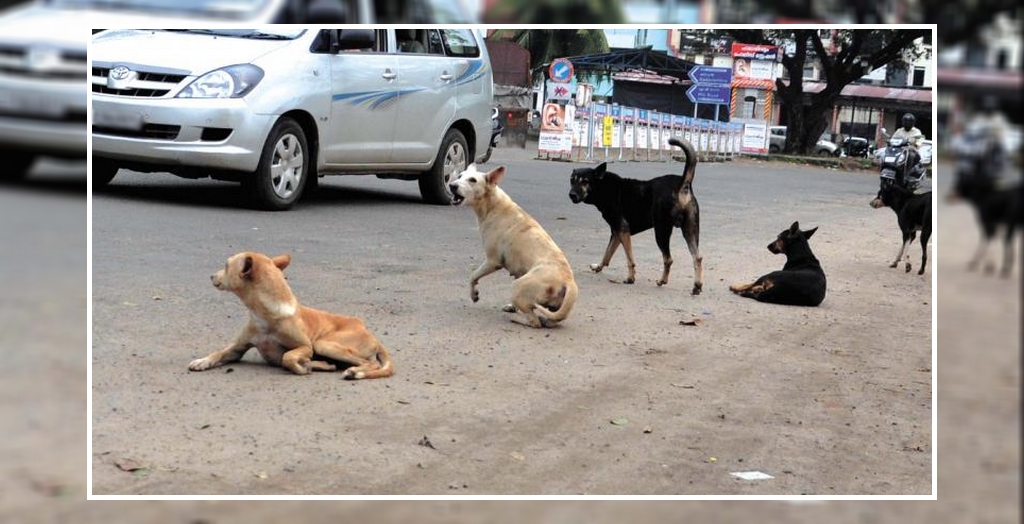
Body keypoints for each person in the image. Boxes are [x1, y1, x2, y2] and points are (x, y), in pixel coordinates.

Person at [890, 113, 924, 187]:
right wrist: (890, 141)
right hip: (899, 151)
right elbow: (893, 139)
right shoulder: (899, 131)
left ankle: (906, 174)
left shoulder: (916, 131)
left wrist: (916, 144)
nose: (907, 123)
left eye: (909, 121)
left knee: (911, 155)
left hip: (912, 151)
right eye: (905, 121)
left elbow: (920, 140)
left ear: (912, 123)